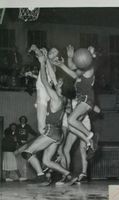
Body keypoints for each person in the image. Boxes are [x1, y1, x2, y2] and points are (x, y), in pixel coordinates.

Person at [21, 50, 77, 186]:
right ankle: (69, 175)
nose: (57, 84)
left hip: (51, 132)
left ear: (61, 88)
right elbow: (53, 80)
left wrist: (42, 63)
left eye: (60, 84)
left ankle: (41, 176)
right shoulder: (64, 100)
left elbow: (46, 81)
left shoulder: (55, 97)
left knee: (27, 153)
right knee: (46, 161)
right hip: (58, 134)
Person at [52, 45, 97, 150]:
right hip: (82, 100)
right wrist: (68, 58)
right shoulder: (82, 71)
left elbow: (74, 72)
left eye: (90, 49)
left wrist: (63, 65)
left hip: (87, 99)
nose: (88, 49)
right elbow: (72, 68)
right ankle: (88, 140)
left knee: (71, 120)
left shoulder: (90, 68)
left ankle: (90, 136)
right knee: (71, 126)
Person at [28, 45, 58, 134]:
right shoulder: (46, 63)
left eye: (54, 52)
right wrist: (32, 75)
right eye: (51, 50)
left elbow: (41, 57)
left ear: (56, 57)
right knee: (41, 124)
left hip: (43, 93)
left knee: (41, 127)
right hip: (42, 91)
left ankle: (49, 140)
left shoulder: (52, 65)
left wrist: (35, 48)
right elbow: (43, 77)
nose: (51, 52)